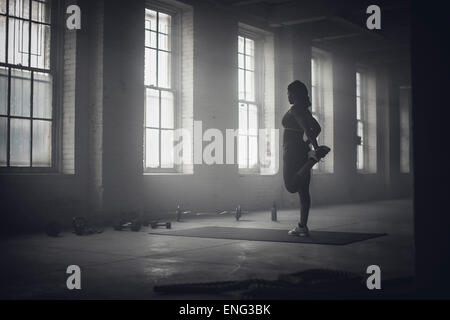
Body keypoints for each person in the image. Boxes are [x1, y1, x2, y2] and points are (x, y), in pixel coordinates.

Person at [282, 80, 330, 237]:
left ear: (294, 95)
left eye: (289, 94)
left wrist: (315, 148)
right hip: (301, 150)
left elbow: (308, 130)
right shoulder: (305, 110)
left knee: (291, 186)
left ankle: (313, 160)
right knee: (303, 190)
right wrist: (308, 144)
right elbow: (316, 128)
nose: (288, 97)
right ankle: (302, 226)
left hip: (291, 151)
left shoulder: (295, 110)